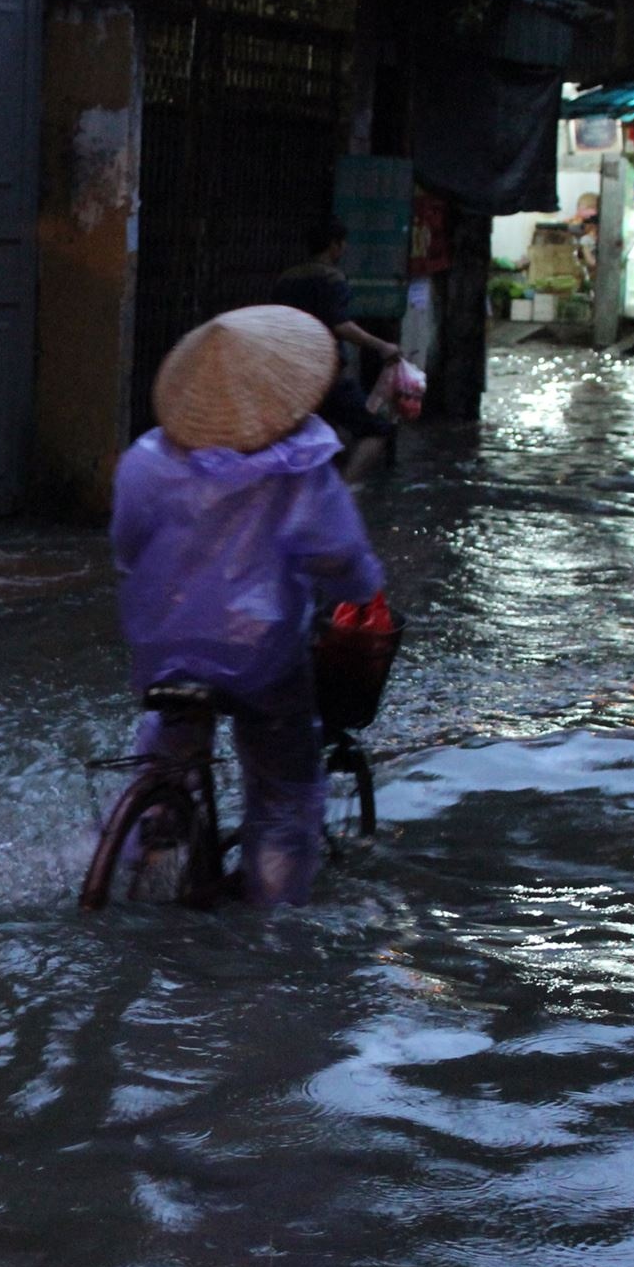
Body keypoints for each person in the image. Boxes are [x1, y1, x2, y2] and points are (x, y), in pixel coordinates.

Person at [110, 305, 384, 906]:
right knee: (284, 784)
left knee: (166, 732)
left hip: (168, 649)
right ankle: (271, 916)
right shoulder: (300, 466)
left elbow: (126, 547)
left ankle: (145, 827)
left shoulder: (147, 460)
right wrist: (361, 593)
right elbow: (342, 556)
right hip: (262, 654)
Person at [271, 216, 404, 481]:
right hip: (325, 374)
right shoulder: (332, 278)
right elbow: (340, 324)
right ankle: (346, 489)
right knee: (377, 429)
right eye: (342, 244)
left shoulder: (285, 279)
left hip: (289, 374)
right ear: (334, 245)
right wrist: (382, 346)